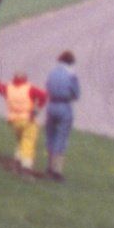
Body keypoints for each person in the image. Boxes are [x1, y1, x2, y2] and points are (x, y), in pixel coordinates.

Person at [0, 70, 48, 174]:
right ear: (25, 79)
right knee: (28, 142)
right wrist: (36, 109)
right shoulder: (29, 89)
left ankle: (17, 162)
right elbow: (44, 96)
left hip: (14, 121)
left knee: (20, 141)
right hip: (28, 119)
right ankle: (26, 167)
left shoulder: (9, 88)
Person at [43, 50, 80, 182]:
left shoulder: (51, 73)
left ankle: (49, 166)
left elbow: (46, 87)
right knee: (62, 137)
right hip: (64, 106)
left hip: (51, 105)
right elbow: (76, 95)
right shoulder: (71, 75)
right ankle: (57, 170)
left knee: (50, 135)